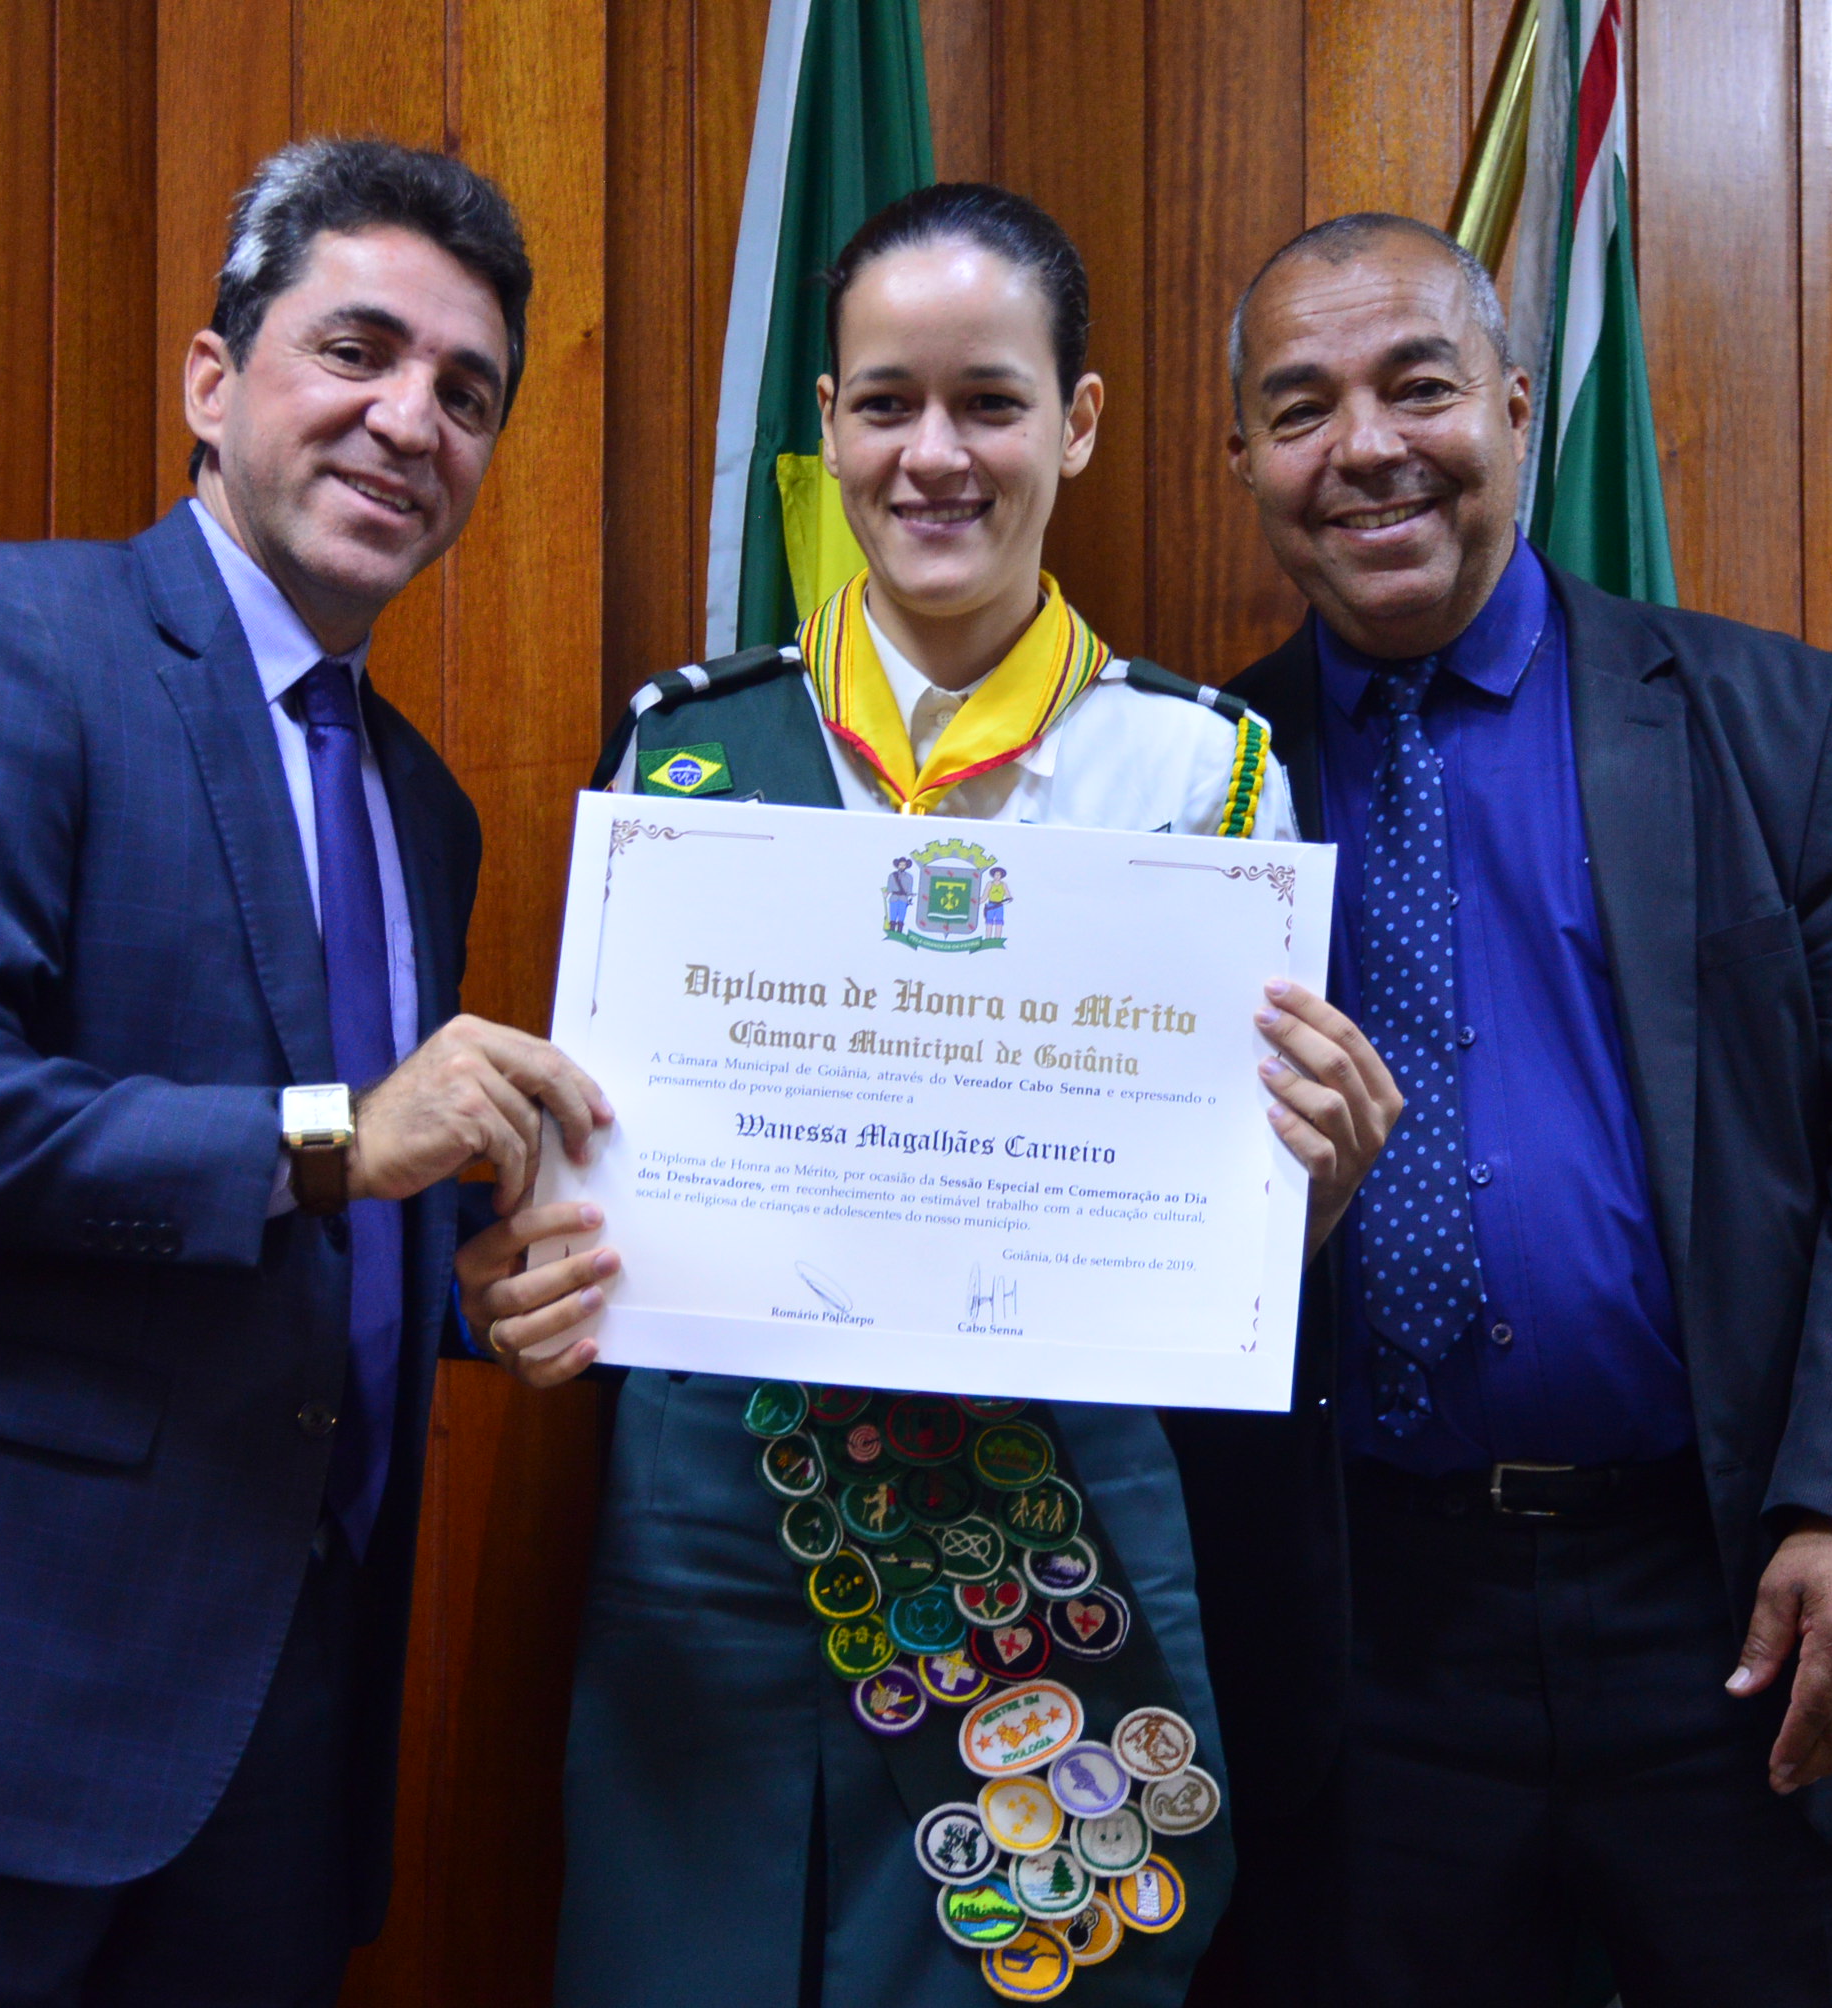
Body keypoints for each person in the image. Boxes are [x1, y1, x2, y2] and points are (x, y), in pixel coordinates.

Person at [0, 139, 614, 2004]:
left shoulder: (422, 807)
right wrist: (345, 1140)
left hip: (282, 1728)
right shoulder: (3, 630)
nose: (409, 421)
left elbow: (320, 1205)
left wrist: (470, 1293)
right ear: (210, 381)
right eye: (357, 351)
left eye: (466, 393)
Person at [459, 184, 1398, 2007]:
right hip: (725, 1513)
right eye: (886, 403)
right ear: (829, 427)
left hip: (1051, 1536)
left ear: (1081, 421)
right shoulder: (688, 753)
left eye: (990, 402)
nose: (935, 456)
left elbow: (1230, 1246)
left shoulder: (1205, 779)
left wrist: (1320, 1192)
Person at [1166, 214, 1832, 2006]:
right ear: (1240, 458)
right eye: (1300, 409)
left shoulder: (1778, 725)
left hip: (1730, 1607)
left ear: (1516, 405)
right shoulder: (1182, 786)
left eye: (1419, 384)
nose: (1366, 447)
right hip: (1362, 1646)